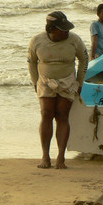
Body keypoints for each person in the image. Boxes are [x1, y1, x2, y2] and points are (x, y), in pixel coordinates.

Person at [28, 11, 89, 169]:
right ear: (51, 29)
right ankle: (45, 157)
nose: (67, 32)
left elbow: (84, 59)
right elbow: (32, 62)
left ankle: (61, 158)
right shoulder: (37, 41)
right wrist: (36, 83)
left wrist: (79, 83)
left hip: (68, 82)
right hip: (45, 82)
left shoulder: (74, 40)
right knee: (46, 114)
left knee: (62, 116)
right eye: (63, 29)